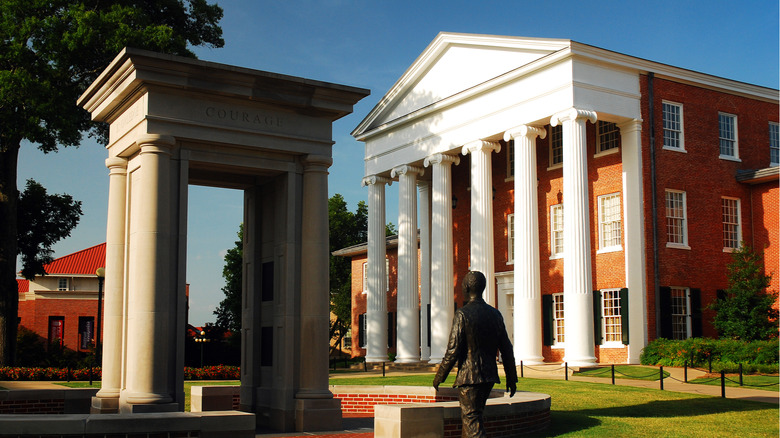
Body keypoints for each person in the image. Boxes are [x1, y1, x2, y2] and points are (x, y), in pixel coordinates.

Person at [433, 271, 518, 438]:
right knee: (474, 417)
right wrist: (511, 378)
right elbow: (507, 349)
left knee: (471, 421)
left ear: (466, 287)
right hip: (488, 376)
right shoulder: (495, 314)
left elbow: (453, 350)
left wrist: (440, 376)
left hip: (470, 377)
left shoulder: (462, 314)